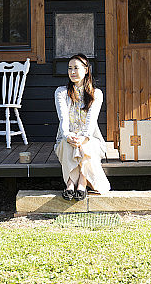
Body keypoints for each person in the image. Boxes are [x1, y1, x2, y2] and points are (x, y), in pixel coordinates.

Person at [54, 53, 111, 200]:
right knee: (68, 146)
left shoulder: (96, 94)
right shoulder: (61, 92)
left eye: (76, 68)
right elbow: (63, 117)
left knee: (86, 147)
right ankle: (71, 183)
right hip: (67, 138)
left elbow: (92, 120)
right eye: (70, 68)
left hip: (90, 138)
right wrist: (67, 135)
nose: (72, 72)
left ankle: (81, 181)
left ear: (86, 70)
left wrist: (84, 137)